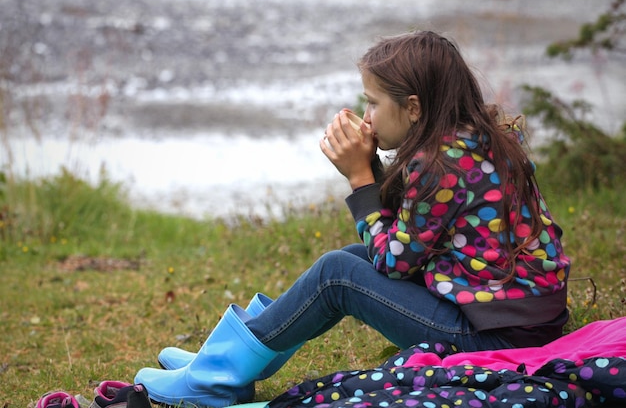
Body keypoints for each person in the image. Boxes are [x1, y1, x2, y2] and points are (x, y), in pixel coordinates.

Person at [134, 30, 570, 408]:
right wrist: (374, 174)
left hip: (496, 339)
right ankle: (225, 364)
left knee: (338, 274)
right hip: (514, 318)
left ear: (414, 107)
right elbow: (411, 235)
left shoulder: (440, 165)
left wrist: (360, 177)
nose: (366, 117)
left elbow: (394, 261)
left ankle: (213, 379)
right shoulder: (473, 141)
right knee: (350, 255)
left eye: (373, 103)